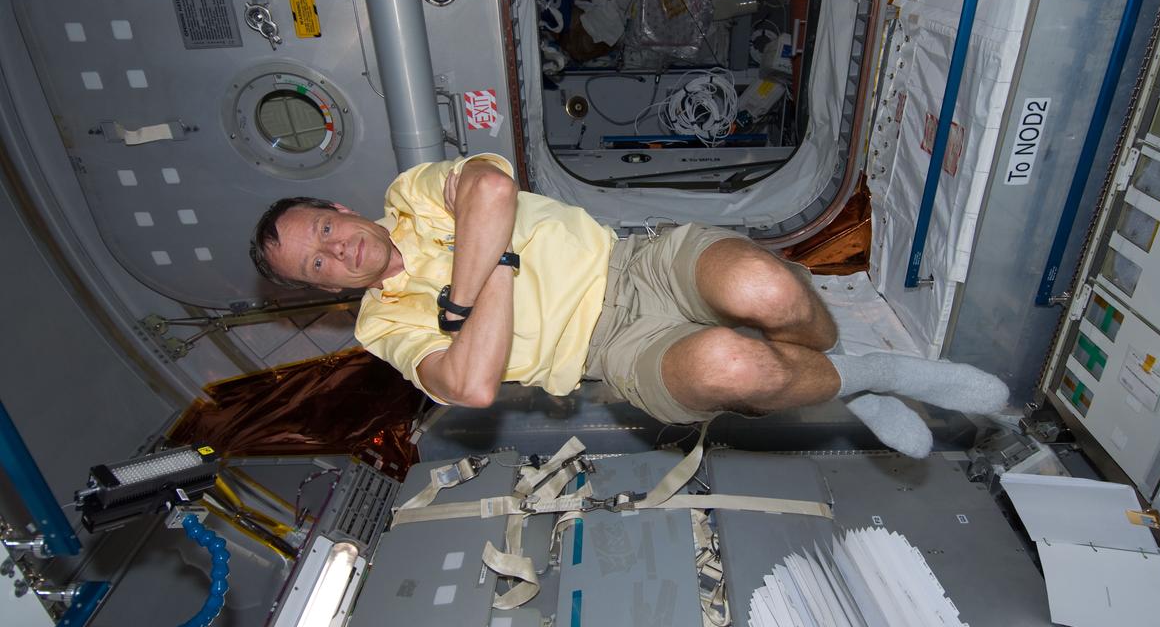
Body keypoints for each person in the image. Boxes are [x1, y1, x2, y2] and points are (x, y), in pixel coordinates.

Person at [249, 154, 1008, 457]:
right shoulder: (382, 324)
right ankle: (873, 376)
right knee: (734, 363)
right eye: (317, 263)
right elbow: (471, 385)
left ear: (341, 208)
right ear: (324, 290)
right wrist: (501, 261)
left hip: (637, 261)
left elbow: (489, 190)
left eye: (324, 229)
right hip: (606, 356)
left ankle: (840, 358)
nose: (337, 249)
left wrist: (462, 303)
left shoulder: (408, 195)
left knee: (768, 288)